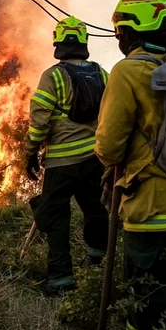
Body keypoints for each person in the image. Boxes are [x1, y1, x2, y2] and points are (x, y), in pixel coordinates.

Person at [95, 0, 166, 330]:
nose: (119, 37)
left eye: (121, 29)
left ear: (134, 30)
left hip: (150, 206)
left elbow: (109, 147)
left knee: (146, 288)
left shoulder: (128, 71)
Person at [25, 16, 110, 295]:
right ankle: (100, 262)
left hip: (61, 164)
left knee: (56, 218)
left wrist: (31, 151)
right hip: (94, 160)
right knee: (96, 210)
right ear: (84, 43)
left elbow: (40, 120)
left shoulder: (54, 76)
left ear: (58, 42)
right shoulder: (102, 74)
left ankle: (61, 280)